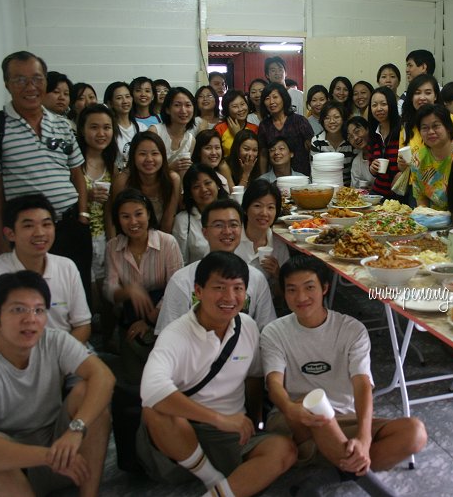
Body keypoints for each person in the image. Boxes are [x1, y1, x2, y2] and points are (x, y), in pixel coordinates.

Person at [261, 255, 427, 493]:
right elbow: (274, 383)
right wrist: (289, 408)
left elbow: (362, 384)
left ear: (325, 288)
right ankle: (374, 487)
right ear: (284, 293)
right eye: (292, 290)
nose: (301, 298)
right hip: (296, 420)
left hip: (344, 418)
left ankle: (328, 472)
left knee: (414, 433)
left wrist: (364, 437)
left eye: (309, 288)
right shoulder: (274, 332)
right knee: (313, 407)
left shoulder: (352, 330)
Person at [137, 252, 297, 496]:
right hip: (183, 430)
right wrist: (218, 419)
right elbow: (150, 390)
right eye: (219, 287)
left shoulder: (248, 326)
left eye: (238, 288)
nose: (229, 297)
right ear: (198, 292)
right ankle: (212, 478)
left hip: (230, 434)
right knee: (155, 409)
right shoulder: (176, 334)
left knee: (284, 450)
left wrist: (254, 422)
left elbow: (254, 377)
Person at [0, 271, 114, 497]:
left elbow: (104, 376)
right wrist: (46, 456)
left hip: (60, 455)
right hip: (13, 468)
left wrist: (76, 430)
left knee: (88, 392)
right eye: (18, 309)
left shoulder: (53, 340)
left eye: (39, 310)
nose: (31, 319)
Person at [0, 51, 93, 305]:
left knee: (77, 292)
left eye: (37, 79)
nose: (30, 87)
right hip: (28, 230)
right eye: (20, 80)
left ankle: (79, 344)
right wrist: (0, 241)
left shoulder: (63, 125)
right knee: (35, 295)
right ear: (6, 84)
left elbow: (77, 171)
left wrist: (83, 215)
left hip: (69, 223)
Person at [0, 194, 91, 345]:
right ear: (10, 234)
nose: (40, 233)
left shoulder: (67, 267)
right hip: (17, 360)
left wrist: (58, 360)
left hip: (65, 356)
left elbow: (82, 325)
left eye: (46, 224)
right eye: (28, 226)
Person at [156, 198, 276, 333]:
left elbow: (267, 331)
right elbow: (167, 334)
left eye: (233, 225)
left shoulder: (256, 278)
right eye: (218, 225)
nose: (227, 231)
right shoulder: (182, 280)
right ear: (205, 232)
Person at [105, 188, 183, 383]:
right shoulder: (113, 247)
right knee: (134, 382)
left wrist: (150, 320)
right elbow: (108, 289)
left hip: (166, 321)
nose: (133, 222)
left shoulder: (167, 243)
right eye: (125, 216)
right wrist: (128, 291)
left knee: (164, 378)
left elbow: (177, 288)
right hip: (130, 321)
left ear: (148, 213)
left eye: (138, 214)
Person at [76, 104, 119, 327]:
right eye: (94, 127)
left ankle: (108, 338)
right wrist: (86, 196)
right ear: (82, 129)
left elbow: (112, 211)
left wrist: (112, 243)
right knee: (83, 292)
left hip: (103, 236)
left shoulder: (114, 166)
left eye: (106, 127)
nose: (101, 133)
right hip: (78, 235)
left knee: (105, 293)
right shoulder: (73, 164)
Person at [111, 131, 181, 234]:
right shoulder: (123, 181)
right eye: (142, 154)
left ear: (163, 156)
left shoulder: (173, 180)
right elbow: (115, 218)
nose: (149, 159)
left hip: (162, 239)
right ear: (133, 157)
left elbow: (168, 223)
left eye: (155, 153)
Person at [237, 179, 290, 302]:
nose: (264, 213)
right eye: (257, 206)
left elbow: (283, 296)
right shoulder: (232, 239)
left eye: (270, 207)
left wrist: (277, 275)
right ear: (245, 209)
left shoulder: (279, 245)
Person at [409, 104, 453, 210]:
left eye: (436, 126)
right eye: (425, 128)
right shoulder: (418, 159)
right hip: (435, 219)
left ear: (448, 127)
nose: (430, 132)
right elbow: (421, 199)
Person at [173, 164, 228, 265]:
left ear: (218, 185)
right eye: (196, 186)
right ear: (190, 193)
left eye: (208, 183)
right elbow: (180, 262)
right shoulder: (183, 221)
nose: (204, 189)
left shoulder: (232, 213)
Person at [258, 82, 314, 175]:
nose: (271, 102)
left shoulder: (299, 121)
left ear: (284, 98)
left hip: (301, 176)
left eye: (275, 97)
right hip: (276, 178)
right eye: (267, 98)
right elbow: (263, 155)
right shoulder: (264, 125)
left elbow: (311, 150)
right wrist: (263, 178)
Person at [149, 87, 196, 178]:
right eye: (177, 105)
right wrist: (170, 168)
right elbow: (146, 167)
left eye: (188, 105)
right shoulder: (155, 132)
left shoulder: (191, 140)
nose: (183, 110)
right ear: (167, 109)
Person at [104, 81, 148, 171]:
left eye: (128, 97)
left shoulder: (142, 128)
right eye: (119, 98)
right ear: (110, 103)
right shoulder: (108, 129)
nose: (125, 101)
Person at [367, 86, 402, 197]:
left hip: (399, 195)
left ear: (391, 105)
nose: (379, 108)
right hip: (377, 194)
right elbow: (371, 165)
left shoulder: (403, 130)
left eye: (383, 104)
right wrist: (372, 168)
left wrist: (402, 172)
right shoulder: (373, 134)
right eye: (374, 105)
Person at [311, 101, 355, 186]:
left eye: (336, 117)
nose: (332, 121)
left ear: (343, 119)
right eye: (327, 118)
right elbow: (315, 172)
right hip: (323, 191)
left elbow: (355, 171)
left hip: (346, 192)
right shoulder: (317, 142)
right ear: (322, 120)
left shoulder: (350, 141)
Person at [215, 89, 259, 155]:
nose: (241, 109)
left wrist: (238, 134)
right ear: (227, 110)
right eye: (235, 106)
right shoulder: (220, 129)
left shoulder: (254, 129)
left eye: (242, 104)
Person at [346, 116, 375, 188]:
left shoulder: (381, 153)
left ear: (367, 129)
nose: (355, 138)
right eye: (351, 137)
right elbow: (354, 191)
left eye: (357, 131)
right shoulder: (356, 162)